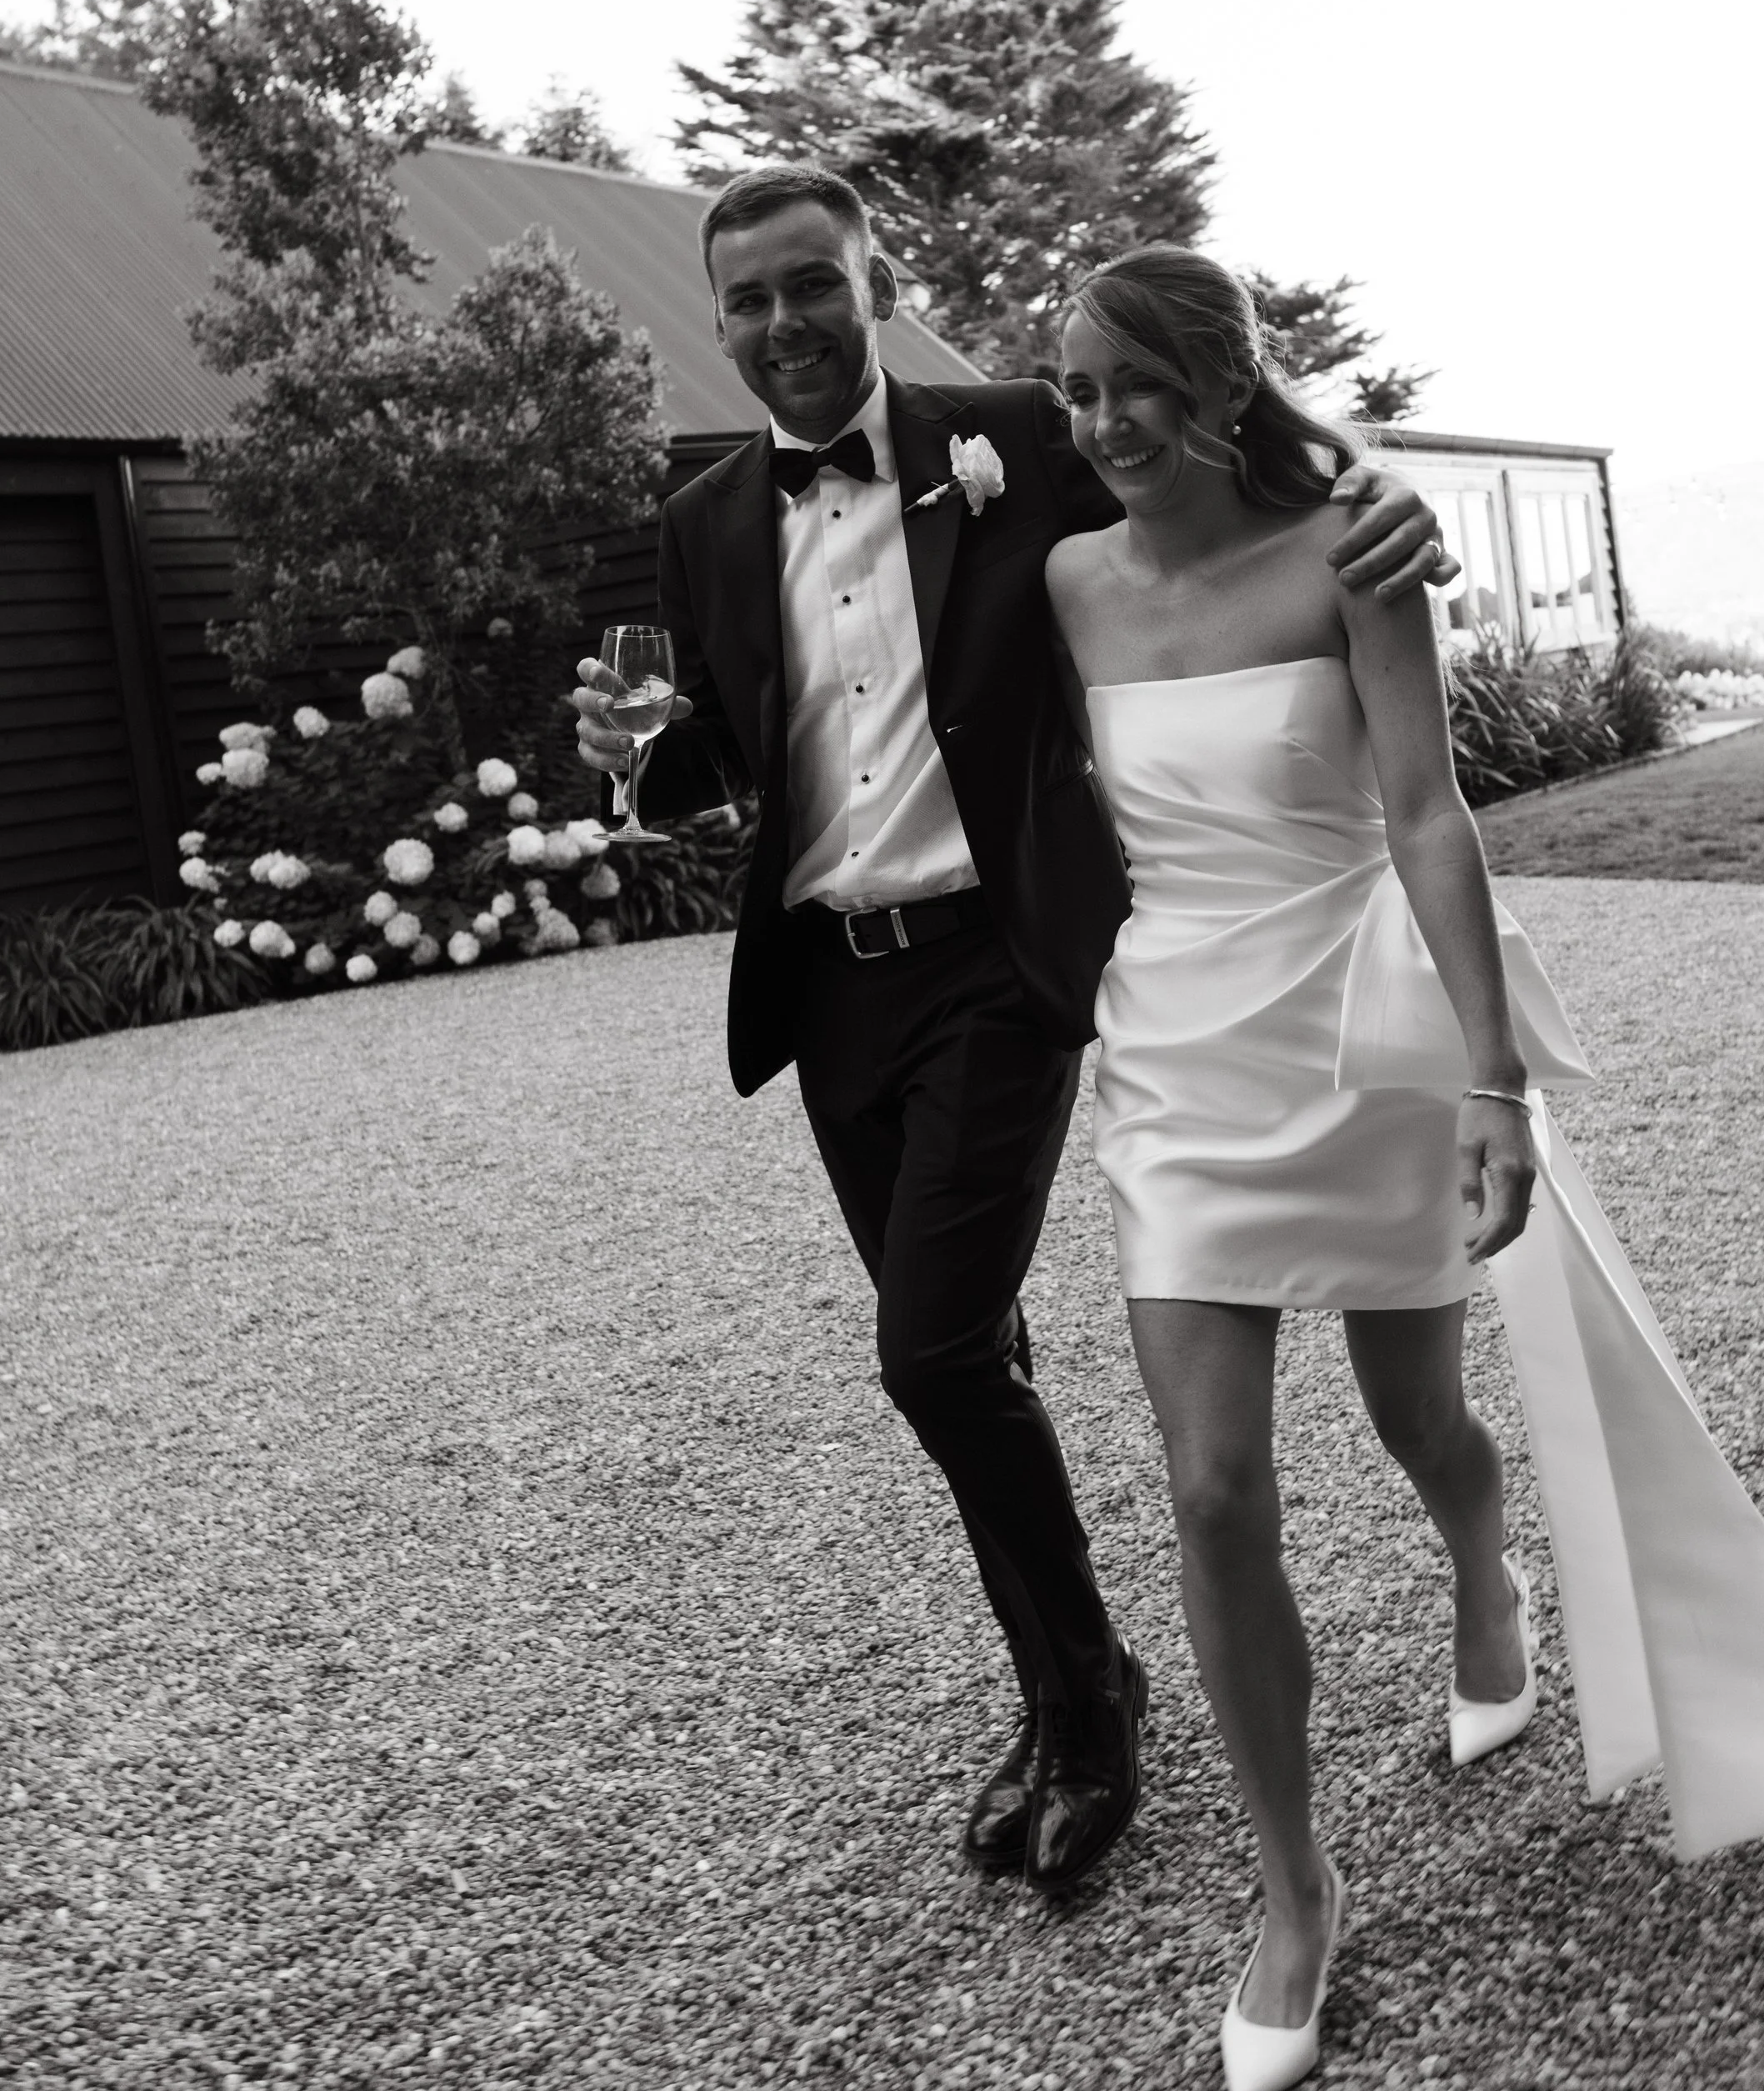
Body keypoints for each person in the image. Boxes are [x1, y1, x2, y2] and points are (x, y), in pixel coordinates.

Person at [1045, 241, 1764, 2091]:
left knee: (1415, 1412)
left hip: (1359, 1038)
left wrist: (1494, 1076)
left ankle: (1481, 1568)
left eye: (1134, 384)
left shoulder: (1349, 550)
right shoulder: (1060, 570)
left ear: (1215, 379)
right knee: (1204, 1487)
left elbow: (1425, 812)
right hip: (1175, 1063)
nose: (1102, 423)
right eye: (1074, 394)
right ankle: (1292, 1887)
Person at [570, 167, 1454, 1898]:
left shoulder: (1021, 436)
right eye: (744, 299)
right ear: (718, 316)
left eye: (809, 284)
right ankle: (1068, 1684)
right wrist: (630, 748)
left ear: (872, 278)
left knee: (925, 1348)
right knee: (964, 1354)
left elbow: (1223, 455)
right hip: (832, 984)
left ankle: (1087, 1697)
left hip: (998, 962)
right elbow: (724, 749)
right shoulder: (697, 517)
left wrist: (1386, 489)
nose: (780, 324)